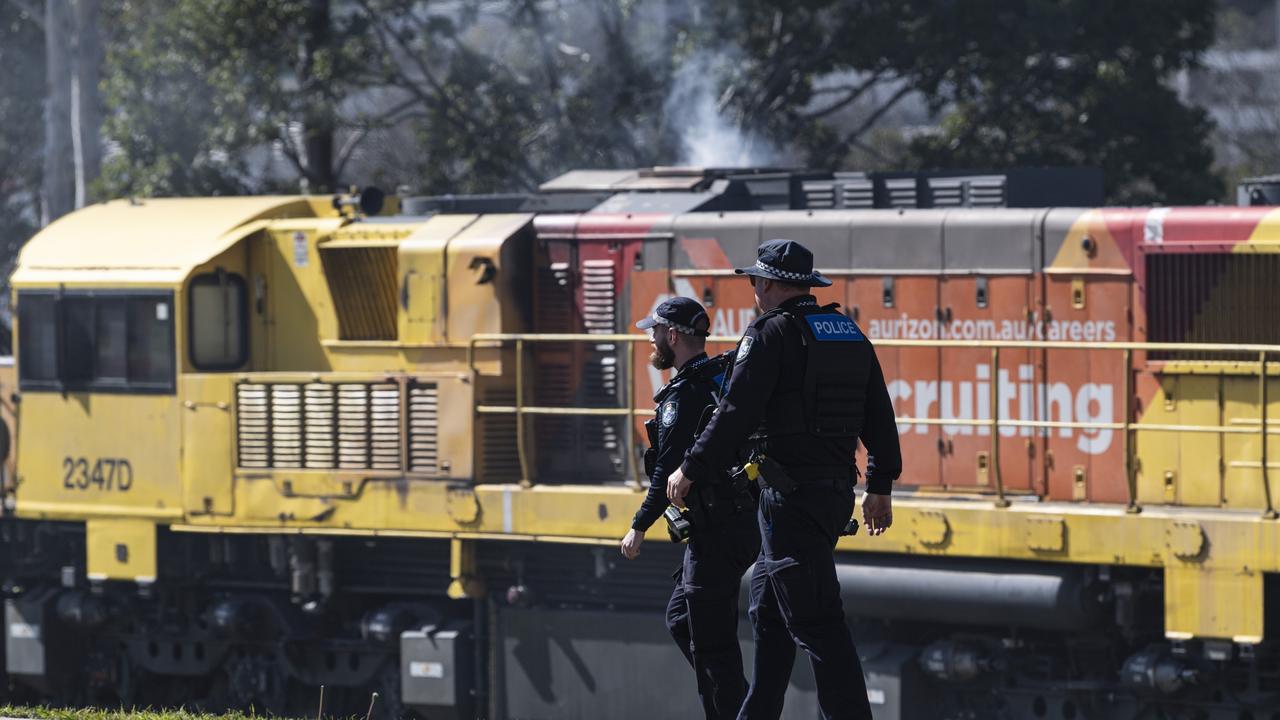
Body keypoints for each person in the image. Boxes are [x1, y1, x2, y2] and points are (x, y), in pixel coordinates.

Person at [666, 239, 902, 720]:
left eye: (755, 281)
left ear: (769, 284)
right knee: (770, 621)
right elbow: (880, 412)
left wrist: (691, 466)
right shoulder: (848, 331)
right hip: (834, 492)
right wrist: (879, 485)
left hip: (789, 499)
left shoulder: (770, 333)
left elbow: (735, 411)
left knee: (818, 624)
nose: (753, 289)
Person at [620, 296, 761, 720]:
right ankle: (747, 703)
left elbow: (667, 472)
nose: (651, 339)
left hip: (717, 528)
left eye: (656, 332)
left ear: (674, 335)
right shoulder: (722, 377)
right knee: (682, 618)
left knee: (711, 643)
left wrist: (638, 526)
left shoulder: (682, 397)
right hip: (739, 520)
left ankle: (738, 712)